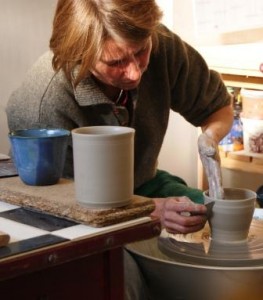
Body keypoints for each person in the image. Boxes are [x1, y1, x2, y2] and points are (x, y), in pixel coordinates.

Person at [6, 0, 233, 299]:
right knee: (124, 281)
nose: (134, 73)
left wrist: (209, 141)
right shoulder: (43, 103)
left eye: (140, 52)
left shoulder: (159, 42)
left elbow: (218, 106)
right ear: (80, 55)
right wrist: (150, 212)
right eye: (115, 63)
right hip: (73, 212)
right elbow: (58, 205)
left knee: (228, 216)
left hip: (142, 184)